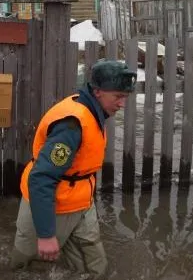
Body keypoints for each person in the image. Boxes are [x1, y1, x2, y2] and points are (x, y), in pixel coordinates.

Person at [10, 59, 137, 279]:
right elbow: (41, 178)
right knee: (26, 268)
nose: (122, 104)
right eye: (118, 96)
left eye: (125, 97)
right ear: (98, 92)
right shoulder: (72, 125)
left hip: (81, 202)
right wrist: (46, 234)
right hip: (52, 204)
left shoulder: (92, 111)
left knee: (95, 269)